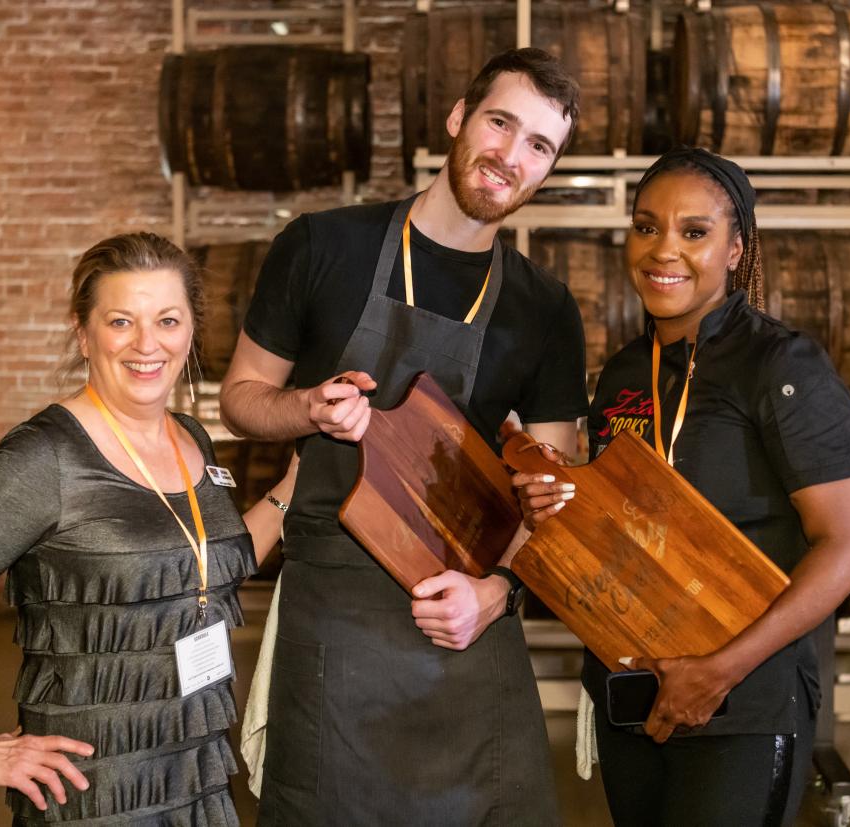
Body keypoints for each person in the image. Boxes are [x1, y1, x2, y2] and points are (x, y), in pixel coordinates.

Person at [218, 48, 588, 824]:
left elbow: (557, 494)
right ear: (457, 117)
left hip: (465, 617)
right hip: (337, 614)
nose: (510, 156)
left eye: (538, 146)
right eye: (500, 122)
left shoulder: (544, 309)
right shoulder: (323, 246)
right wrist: (309, 409)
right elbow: (241, 400)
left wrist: (500, 591)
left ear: (549, 169)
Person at [515, 147, 850, 825]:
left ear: (736, 248)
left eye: (694, 231)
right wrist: (559, 507)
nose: (664, 250)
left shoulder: (781, 363)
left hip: (742, 701)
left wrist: (719, 669)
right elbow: (628, 522)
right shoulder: (624, 371)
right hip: (636, 697)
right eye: (647, 226)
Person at [0, 232, 298, 825]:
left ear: (190, 332)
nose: (146, 344)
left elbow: (211, 566)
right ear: (84, 334)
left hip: (195, 764)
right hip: (96, 785)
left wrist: (290, 489)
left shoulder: (193, 439)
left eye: (167, 320)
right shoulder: (47, 456)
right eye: (121, 321)